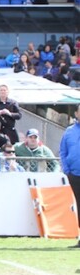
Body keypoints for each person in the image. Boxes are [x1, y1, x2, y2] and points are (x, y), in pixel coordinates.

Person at [59, 105, 80, 246]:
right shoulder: (69, 131)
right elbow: (62, 151)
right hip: (74, 174)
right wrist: (66, 170)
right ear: (77, 113)